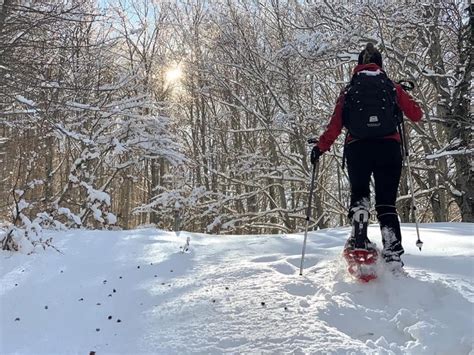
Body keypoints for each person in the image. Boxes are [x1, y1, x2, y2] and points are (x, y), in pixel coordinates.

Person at [311, 43, 423, 270]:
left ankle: (359, 228)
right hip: (389, 148)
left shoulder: (349, 89)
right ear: (380, 65)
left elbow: (334, 126)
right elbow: (417, 115)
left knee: (359, 193)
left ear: (358, 65)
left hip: (358, 148)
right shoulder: (392, 87)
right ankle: (392, 252)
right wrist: (403, 95)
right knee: (386, 203)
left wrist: (320, 148)